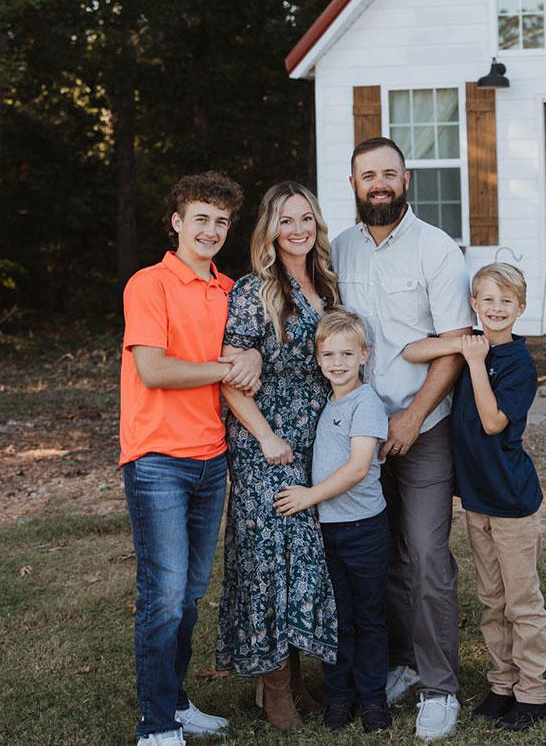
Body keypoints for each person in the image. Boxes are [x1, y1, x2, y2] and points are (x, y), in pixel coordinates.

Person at [330, 137, 474, 741]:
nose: (379, 184)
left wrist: (413, 417)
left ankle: (441, 687)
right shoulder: (338, 249)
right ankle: (400, 663)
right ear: (355, 184)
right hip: (360, 431)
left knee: (426, 555)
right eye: (369, 176)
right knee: (379, 554)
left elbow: (456, 342)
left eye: (390, 174)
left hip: (423, 427)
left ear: (406, 180)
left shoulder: (436, 250)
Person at [120, 171, 262, 746]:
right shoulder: (149, 284)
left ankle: (176, 705)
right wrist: (229, 366)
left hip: (212, 458)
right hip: (157, 458)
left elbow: (242, 347)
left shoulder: (228, 289)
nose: (210, 229)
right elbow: (154, 369)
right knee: (163, 593)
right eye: (199, 218)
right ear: (177, 222)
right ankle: (155, 727)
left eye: (220, 221)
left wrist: (249, 350)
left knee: (190, 593)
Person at [403, 263, 546, 732]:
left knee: (521, 600)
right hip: (477, 500)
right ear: (474, 304)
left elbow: (492, 421)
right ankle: (502, 683)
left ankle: (534, 690)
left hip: (511, 499)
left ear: (521, 309)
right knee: (491, 599)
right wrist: (460, 345)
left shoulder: (518, 364)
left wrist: (471, 361)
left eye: (506, 302)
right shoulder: (472, 343)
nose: (496, 309)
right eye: (487, 300)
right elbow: (411, 350)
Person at [215, 181, 339, 732]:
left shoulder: (326, 287)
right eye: (286, 220)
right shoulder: (253, 289)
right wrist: (267, 438)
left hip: (318, 441)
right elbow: (231, 378)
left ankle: (291, 678)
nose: (297, 230)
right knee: (271, 563)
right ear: (270, 228)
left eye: (306, 218)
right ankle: (275, 689)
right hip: (267, 444)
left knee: (304, 563)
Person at [273, 308, 392, 733]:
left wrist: (309, 497)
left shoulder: (367, 403)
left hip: (364, 529)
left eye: (347, 353)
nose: (337, 363)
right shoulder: (326, 402)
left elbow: (359, 467)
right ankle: (339, 699)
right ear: (318, 359)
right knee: (337, 619)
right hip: (329, 533)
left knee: (370, 618)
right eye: (328, 355)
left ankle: (374, 701)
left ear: (365, 355)